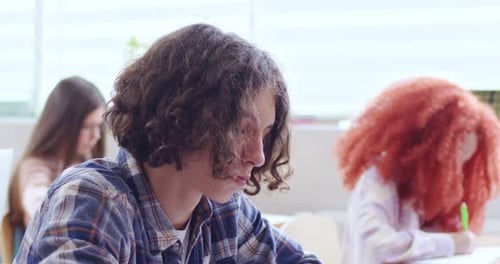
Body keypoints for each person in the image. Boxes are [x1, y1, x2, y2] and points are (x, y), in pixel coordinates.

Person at [14, 24, 320, 263]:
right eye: (241, 130)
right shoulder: (96, 199)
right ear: (183, 116)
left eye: (265, 134)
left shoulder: (226, 213)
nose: (258, 155)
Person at [335, 77, 500, 263]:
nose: (455, 172)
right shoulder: (380, 178)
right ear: (427, 145)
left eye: (463, 165)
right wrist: (450, 243)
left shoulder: (432, 190)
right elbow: (377, 246)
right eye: (452, 162)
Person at [3, 76, 106, 261]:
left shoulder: (86, 164)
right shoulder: (35, 167)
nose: (96, 136)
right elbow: (37, 206)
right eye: (88, 127)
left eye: (99, 127)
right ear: (64, 126)